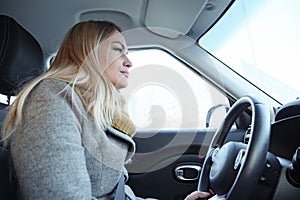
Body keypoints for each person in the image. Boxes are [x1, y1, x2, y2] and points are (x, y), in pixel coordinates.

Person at [1, 20, 219, 199]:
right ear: (89, 52)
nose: (129, 62)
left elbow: (117, 193)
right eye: (118, 50)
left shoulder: (99, 111)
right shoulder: (52, 98)